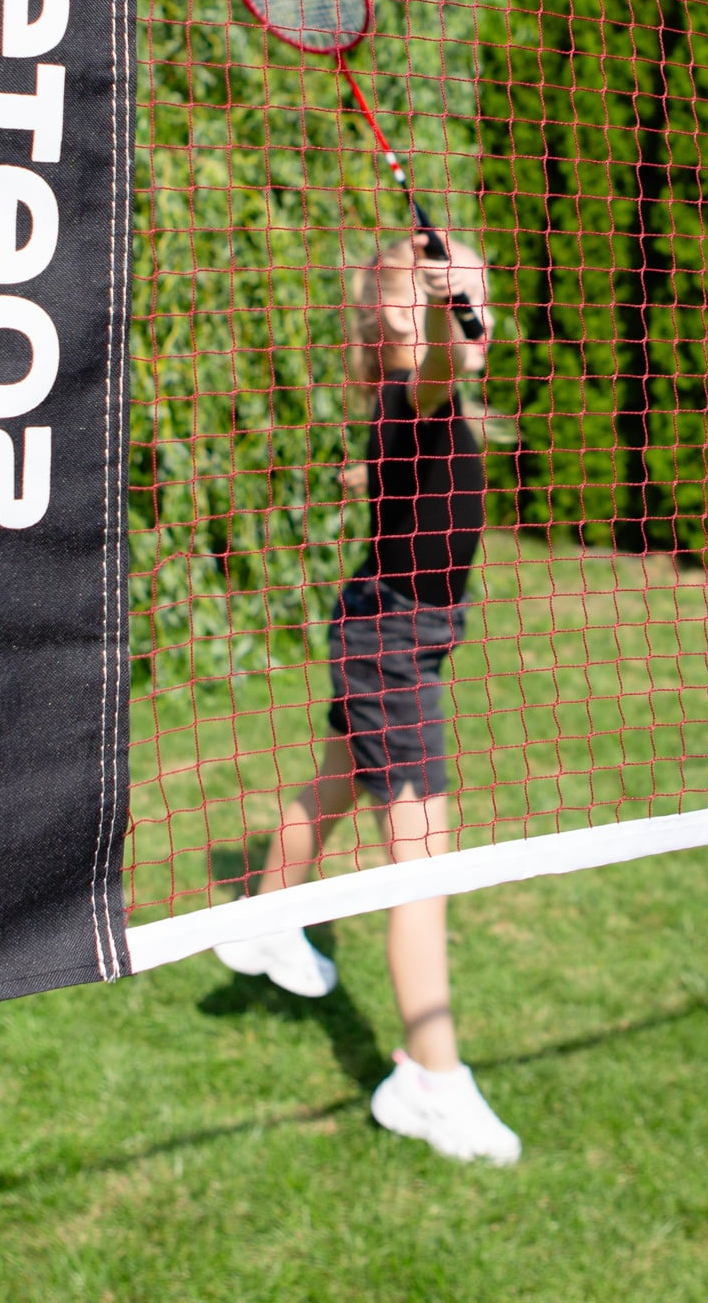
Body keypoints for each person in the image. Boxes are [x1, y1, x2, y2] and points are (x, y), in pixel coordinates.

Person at [215, 228, 520, 1167]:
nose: (477, 307)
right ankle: (429, 1082)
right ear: (399, 312)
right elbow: (439, 364)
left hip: (396, 629)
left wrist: (444, 311)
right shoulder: (421, 388)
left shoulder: (419, 401)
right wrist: (443, 312)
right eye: (457, 291)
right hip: (391, 644)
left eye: (480, 291)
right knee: (421, 867)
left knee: (337, 779)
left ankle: (264, 923)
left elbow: (433, 393)